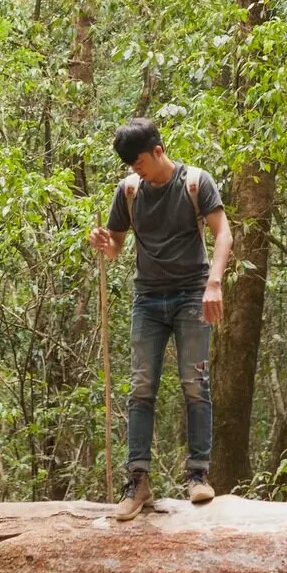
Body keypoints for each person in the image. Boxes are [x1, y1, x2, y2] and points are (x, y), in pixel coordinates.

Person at [88, 118, 232, 520]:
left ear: (158, 150)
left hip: (191, 293)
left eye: (139, 163)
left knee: (194, 382)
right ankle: (138, 481)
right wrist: (105, 242)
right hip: (147, 298)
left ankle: (199, 476)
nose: (136, 171)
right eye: (130, 166)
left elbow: (223, 233)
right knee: (141, 387)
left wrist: (214, 282)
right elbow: (116, 244)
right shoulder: (129, 191)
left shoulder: (196, 182)